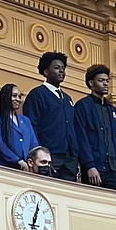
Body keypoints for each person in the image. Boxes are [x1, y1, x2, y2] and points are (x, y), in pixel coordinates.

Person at [23, 52, 79, 181]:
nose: (61, 71)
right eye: (57, 67)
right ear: (46, 72)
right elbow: (32, 126)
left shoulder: (68, 99)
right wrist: (39, 153)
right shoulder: (37, 94)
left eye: (63, 68)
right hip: (49, 155)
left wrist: (75, 154)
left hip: (70, 158)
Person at [74, 64, 116, 189]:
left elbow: (115, 140)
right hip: (94, 167)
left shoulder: (113, 110)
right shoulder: (82, 106)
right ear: (91, 83)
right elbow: (81, 138)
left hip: (113, 169)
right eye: (101, 80)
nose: (106, 84)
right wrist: (89, 165)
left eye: (107, 81)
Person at [0, 84, 39, 171]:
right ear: (6, 97)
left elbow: (33, 144)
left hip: (26, 168)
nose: (18, 99)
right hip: (5, 166)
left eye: (20, 97)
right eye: (14, 96)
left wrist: (32, 162)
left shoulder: (26, 120)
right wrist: (18, 161)